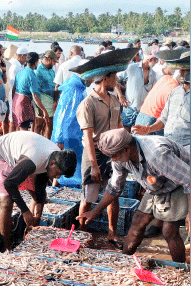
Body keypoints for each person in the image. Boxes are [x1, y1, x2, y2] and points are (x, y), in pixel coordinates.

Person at [77, 128, 189, 262]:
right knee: (137, 222)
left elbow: (189, 180)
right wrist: (95, 211)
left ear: (126, 150)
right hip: (156, 185)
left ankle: (180, 268)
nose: (113, 159)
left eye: (114, 155)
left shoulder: (157, 154)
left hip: (179, 183)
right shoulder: (120, 157)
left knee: (169, 230)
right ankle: (124, 262)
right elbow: (114, 188)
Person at [70, 48, 138, 247]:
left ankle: (111, 232)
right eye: (114, 77)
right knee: (89, 197)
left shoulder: (115, 100)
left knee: (113, 194)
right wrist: (94, 165)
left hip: (113, 154)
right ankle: (83, 233)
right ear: (106, 78)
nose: (117, 80)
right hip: (95, 153)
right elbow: (88, 138)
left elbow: (118, 127)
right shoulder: (88, 104)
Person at [0, 131, 77, 249]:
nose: (58, 177)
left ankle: (32, 230)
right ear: (53, 164)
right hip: (0, 154)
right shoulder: (33, 161)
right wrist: (25, 211)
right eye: (58, 173)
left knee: (39, 195)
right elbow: (9, 183)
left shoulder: (53, 157)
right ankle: (6, 247)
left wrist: (37, 215)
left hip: (23, 155)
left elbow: (40, 188)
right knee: (7, 202)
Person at [134, 51, 190, 149]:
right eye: (180, 69)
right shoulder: (175, 92)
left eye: (186, 70)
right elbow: (164, 119)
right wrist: (149, 129)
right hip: (169, 144)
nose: (181, 72)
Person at [117, 48, 157, 130]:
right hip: (129, 109)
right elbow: (115, 80)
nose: (157, 62)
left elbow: (153, 92)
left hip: (143, 113)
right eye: (155, 59)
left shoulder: (153, 74)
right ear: (150, 59)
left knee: (138, 138)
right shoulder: (131, 68)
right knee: (125, 135)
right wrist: (121, 96)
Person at [12, 52, 46, 132]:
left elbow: (14, 89)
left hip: (16, 102)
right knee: (24, 131)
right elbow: (35, 96)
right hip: (24, 104)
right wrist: (43, 110)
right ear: (36, 62)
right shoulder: (32, 75)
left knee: (19, 130)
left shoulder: (20, 73)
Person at [33, 50, 58, 139]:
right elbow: (35, 92)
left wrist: (55, 101)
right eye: (54, 61)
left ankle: (47, 147)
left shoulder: (51, 71)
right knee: (38, 126)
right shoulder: (38, 71)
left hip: (50, 101)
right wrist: (38, 108)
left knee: (49, 125)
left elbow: (55, 85)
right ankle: (34, 145)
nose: (55, 64)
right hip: (42, 101)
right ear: (48, 59)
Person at [7, 47, 29, 132]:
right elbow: (13, 85)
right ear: (23, 56)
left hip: (18, 96)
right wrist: (14, 99)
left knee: (18, 120)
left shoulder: (21, 65)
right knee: (13, 121)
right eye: (26, 56)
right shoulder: (15, 66)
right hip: (14, 96)